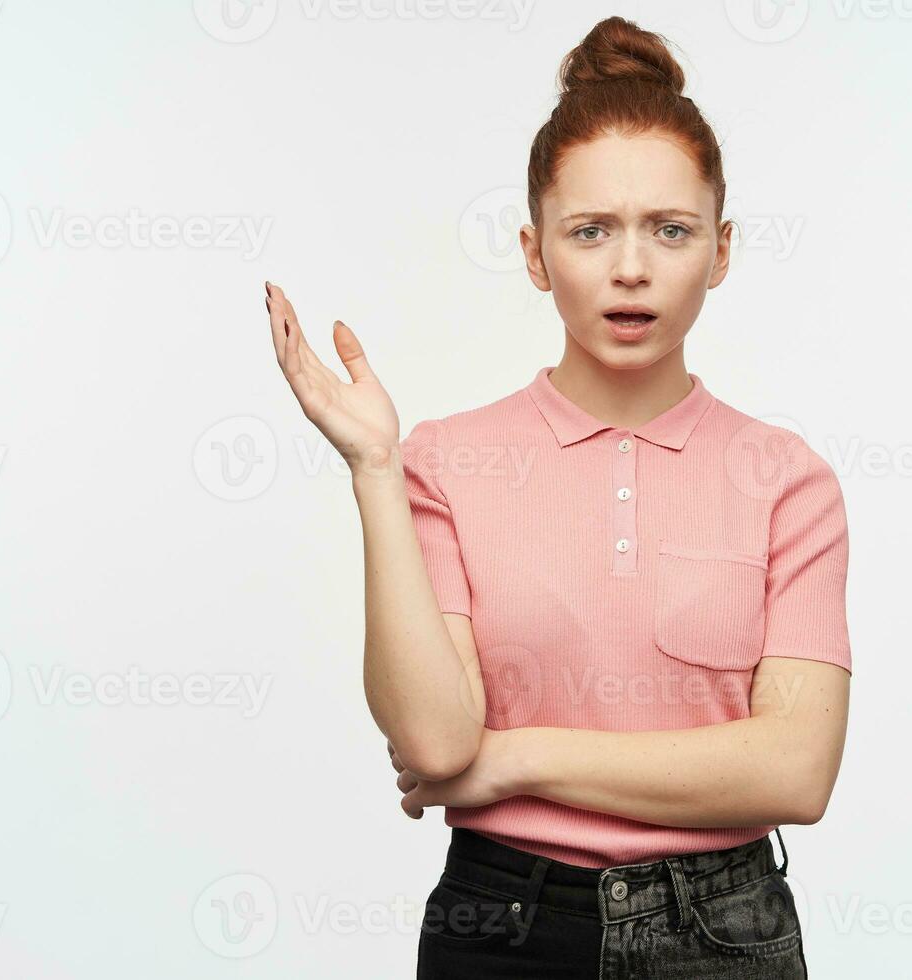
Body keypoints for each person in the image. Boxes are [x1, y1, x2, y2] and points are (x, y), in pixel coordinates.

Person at [263, 16, 852, 978]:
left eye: (671, 229)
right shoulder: (444, 462)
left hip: (722, 935)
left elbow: (795, 770)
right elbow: (435, 737)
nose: (632, 267)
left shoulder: (787, 480)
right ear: (537, 255)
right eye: (591, 232)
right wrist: (373, 465)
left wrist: (515, 760)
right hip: (502, 925)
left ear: (723, 249)